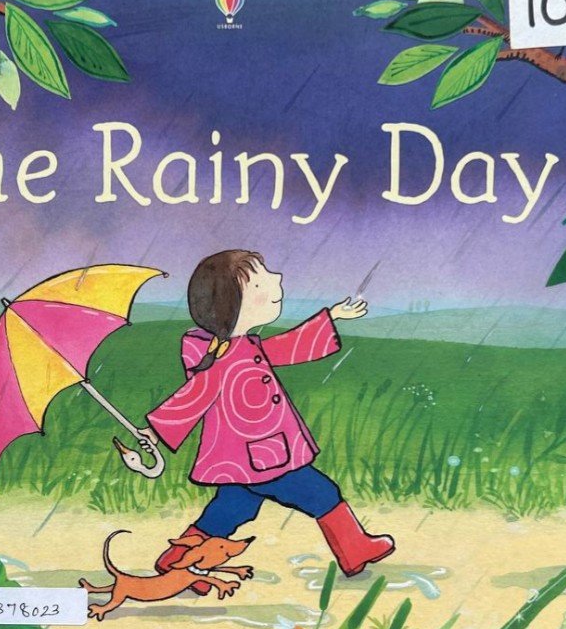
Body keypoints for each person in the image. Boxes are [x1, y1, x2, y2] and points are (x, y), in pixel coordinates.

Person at [142, 249, 395, 590]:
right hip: (261, 457)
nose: (277, 278)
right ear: (232, 306)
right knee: (321, 493)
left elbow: (285, 347)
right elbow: (193, 397)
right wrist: (156, 430)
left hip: (243, 458)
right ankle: (355, 549)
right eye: (261, 281)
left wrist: (331, 317)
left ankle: (178, 561)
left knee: (233, 509)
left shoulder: (239, 348)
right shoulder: (223, 358)